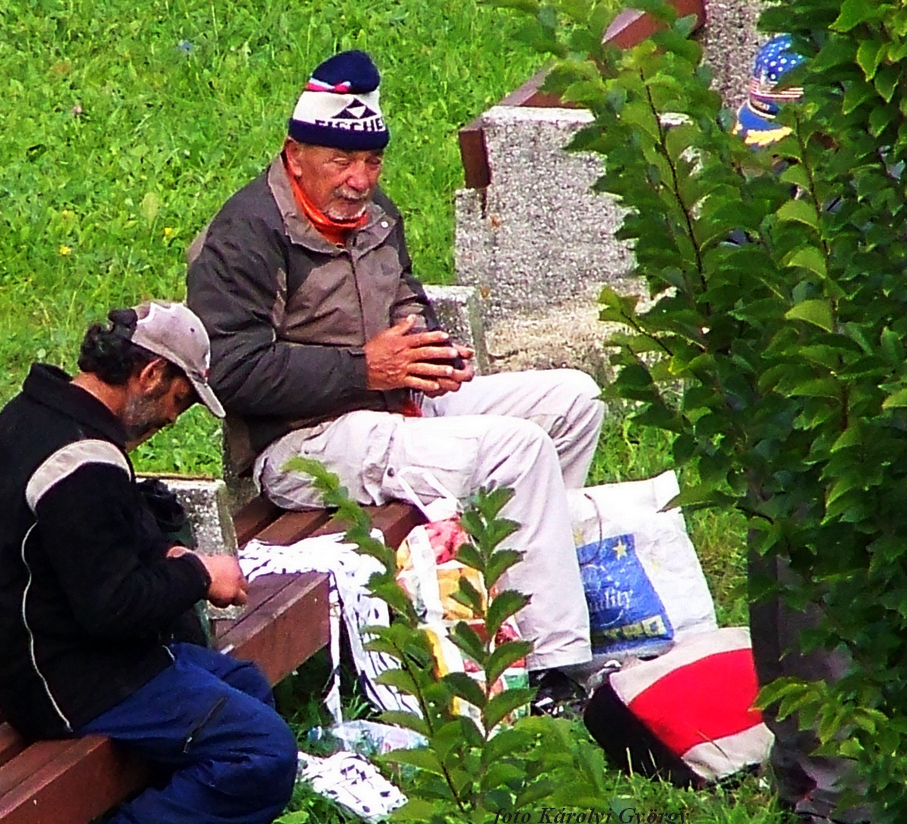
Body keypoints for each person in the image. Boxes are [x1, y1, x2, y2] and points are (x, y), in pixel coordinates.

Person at [186, 49, 605, 695]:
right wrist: (365, 369)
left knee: (573, 401)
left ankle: (505, 593)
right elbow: (231, 371)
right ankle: (554, 666)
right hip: (303, 446)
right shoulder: (245, 235)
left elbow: (404, 294)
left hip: (393, 408)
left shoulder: (373, 210)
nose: (359, 180)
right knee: (516, 451)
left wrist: (430, 353)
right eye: (341, 162)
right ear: (296, 155)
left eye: (372, 161)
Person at [0, 301, 298, 824]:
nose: (175, 418)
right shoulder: (82, 462)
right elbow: (112, 609)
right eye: (180, 399)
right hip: (65, 679)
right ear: (149, 374)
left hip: (60, 652)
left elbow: (91, 551)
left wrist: (162, 554)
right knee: (263, 753)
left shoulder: (44, 414)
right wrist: (198, 576)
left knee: (247, 686)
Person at [732, 34, 873, 824]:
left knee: (823, 579)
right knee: (778, 575)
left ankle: (847, 803)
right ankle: (800, 782)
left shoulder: (868, 199)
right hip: (778, 402)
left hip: (849, 407)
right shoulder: (753, 188)